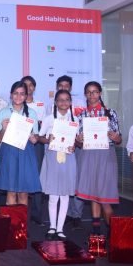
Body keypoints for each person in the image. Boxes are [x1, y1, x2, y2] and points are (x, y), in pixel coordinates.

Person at [75, 81, 121, 235]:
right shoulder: (81, 115)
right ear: (85, 94)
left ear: (100, 93)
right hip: (88, 154)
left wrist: (116, 137)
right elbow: (78, 142)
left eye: (95, 91)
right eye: (88, 92)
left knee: (105, 196)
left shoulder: (110, 113)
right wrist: (78, 140)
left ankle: (114, 233)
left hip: (106, 155)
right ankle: (96, 232)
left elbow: (119, 139)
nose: (92, 95)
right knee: (93, 194)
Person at [0, 81, 41, 206]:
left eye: (22, 94)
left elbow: (36, 136)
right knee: (11, 191)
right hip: (9, 152)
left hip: (26, 152)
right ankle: (12, 220)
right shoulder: (3, 112)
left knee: (23, 193)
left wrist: (33, 138)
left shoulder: (31, 113)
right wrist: (3, 128)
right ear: (11, 94)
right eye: (15, 93)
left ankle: (21, 220)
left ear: (26, 96)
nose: (18, 96)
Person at [38, 90, 77, 240]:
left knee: (65, 195)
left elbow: (76, 140)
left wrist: (74, 145)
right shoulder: (49, 119)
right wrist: (48, 140)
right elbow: (40, 137)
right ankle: (52, 227)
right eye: (60, 100)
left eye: (67, 100)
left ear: (70, 102)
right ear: (55, 102)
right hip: (53, 157)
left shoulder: (75, 119)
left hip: (68, 158)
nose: (63, 102)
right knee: (53, 195)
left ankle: (60, 229)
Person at [50, 75, 86, 229]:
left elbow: (79, 136)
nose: (64, 88)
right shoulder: (50, 110)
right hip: (54, 153)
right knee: (56, 188)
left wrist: (77, 142)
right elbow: (45, 134)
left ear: (70, 88)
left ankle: (74, 215)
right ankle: (56, 222)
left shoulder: (79, 107)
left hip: (72, 152)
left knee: (72, 183)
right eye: (61, 86)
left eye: (66, 86)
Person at [21, 75, 46, 226]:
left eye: (31, 85)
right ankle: (21, 213)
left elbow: (43, 126)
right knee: (22, 177)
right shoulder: (17, 104)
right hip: (20, 144)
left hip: (36, 144)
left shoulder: (40, 105)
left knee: (37, 176)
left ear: (34, 88)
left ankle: (37, 213)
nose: (28, 87)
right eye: (25, 85)